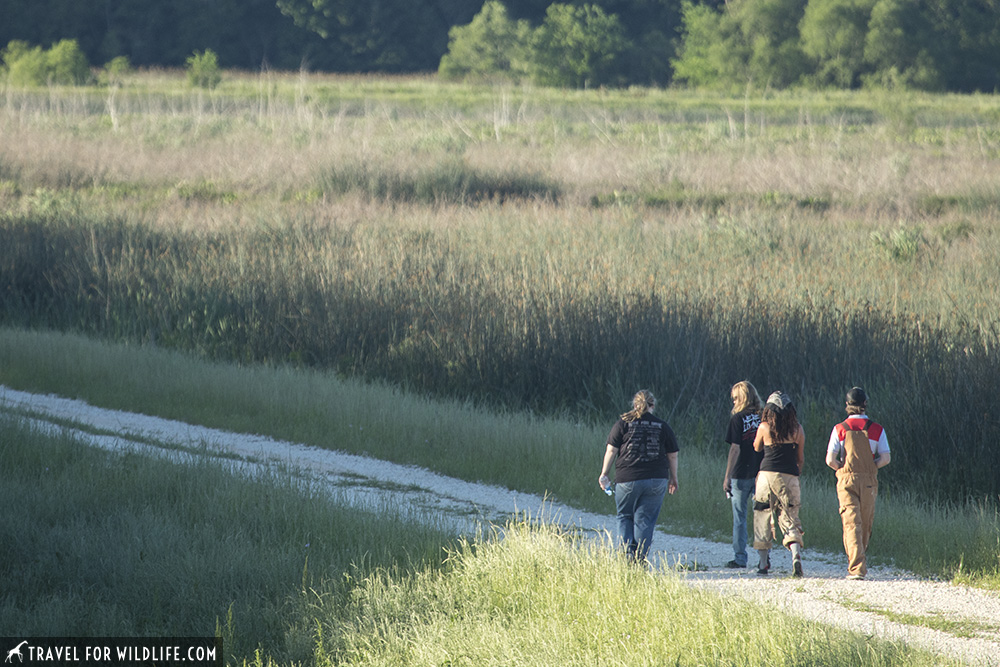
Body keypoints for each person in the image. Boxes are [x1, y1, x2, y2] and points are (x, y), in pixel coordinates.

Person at [598, 389, 679, 565]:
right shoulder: (663, 426)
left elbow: (611, 450)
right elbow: (672, 455)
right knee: (645, 520)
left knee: (625, 516)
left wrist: (604, 474)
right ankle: (640, 560)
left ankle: (628, 557)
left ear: (635, 405)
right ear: (652, 406)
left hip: (628, 478)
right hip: (657, 479)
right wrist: (674, 477)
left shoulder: (623, 423)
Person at [825, 386, 891, 580]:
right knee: (865, 522)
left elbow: (830, 460)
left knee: (851, 522)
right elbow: (886, 458)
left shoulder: (839, 429)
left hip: (846, 479)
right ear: (865, 405)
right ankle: (858, 566)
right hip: (869, 481)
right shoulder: (876, 429)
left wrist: (842, 469)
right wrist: (870, 468)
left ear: (847, 405)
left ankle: (855, 566)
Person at [752, 391, 805, 577]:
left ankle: (763, 563)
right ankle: (795, 556)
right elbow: (800, 459)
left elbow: (756, 447)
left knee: (762, 517)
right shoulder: (798, 430)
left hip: (766, 477)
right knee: (791, 518)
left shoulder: (764, 427)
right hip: (790, 477)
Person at [722, 380, 763, 568]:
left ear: (742, 398)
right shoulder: (765, 417)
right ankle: (765, 559)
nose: (733, 402)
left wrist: (727, 476)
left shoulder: (737, 419)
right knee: (762, 516)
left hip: (740, 474)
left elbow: (734, 449)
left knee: (739, 518)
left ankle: (740, 558)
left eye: (735, 398)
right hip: (761, 472)